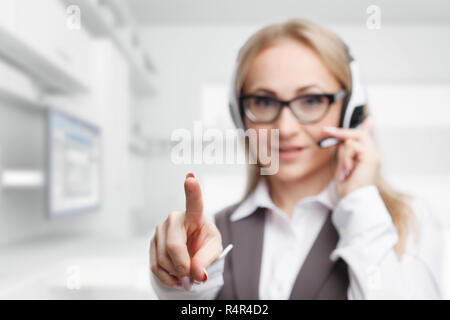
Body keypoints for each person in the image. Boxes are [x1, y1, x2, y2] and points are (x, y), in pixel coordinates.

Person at [149, 18, 443, 299]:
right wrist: (179, 276)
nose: (286, 129)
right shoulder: (211, 234)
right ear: (240, 115)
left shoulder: (407, 220)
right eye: (263, 102)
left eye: (312, 100)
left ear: (350, 111)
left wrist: (361, 203)